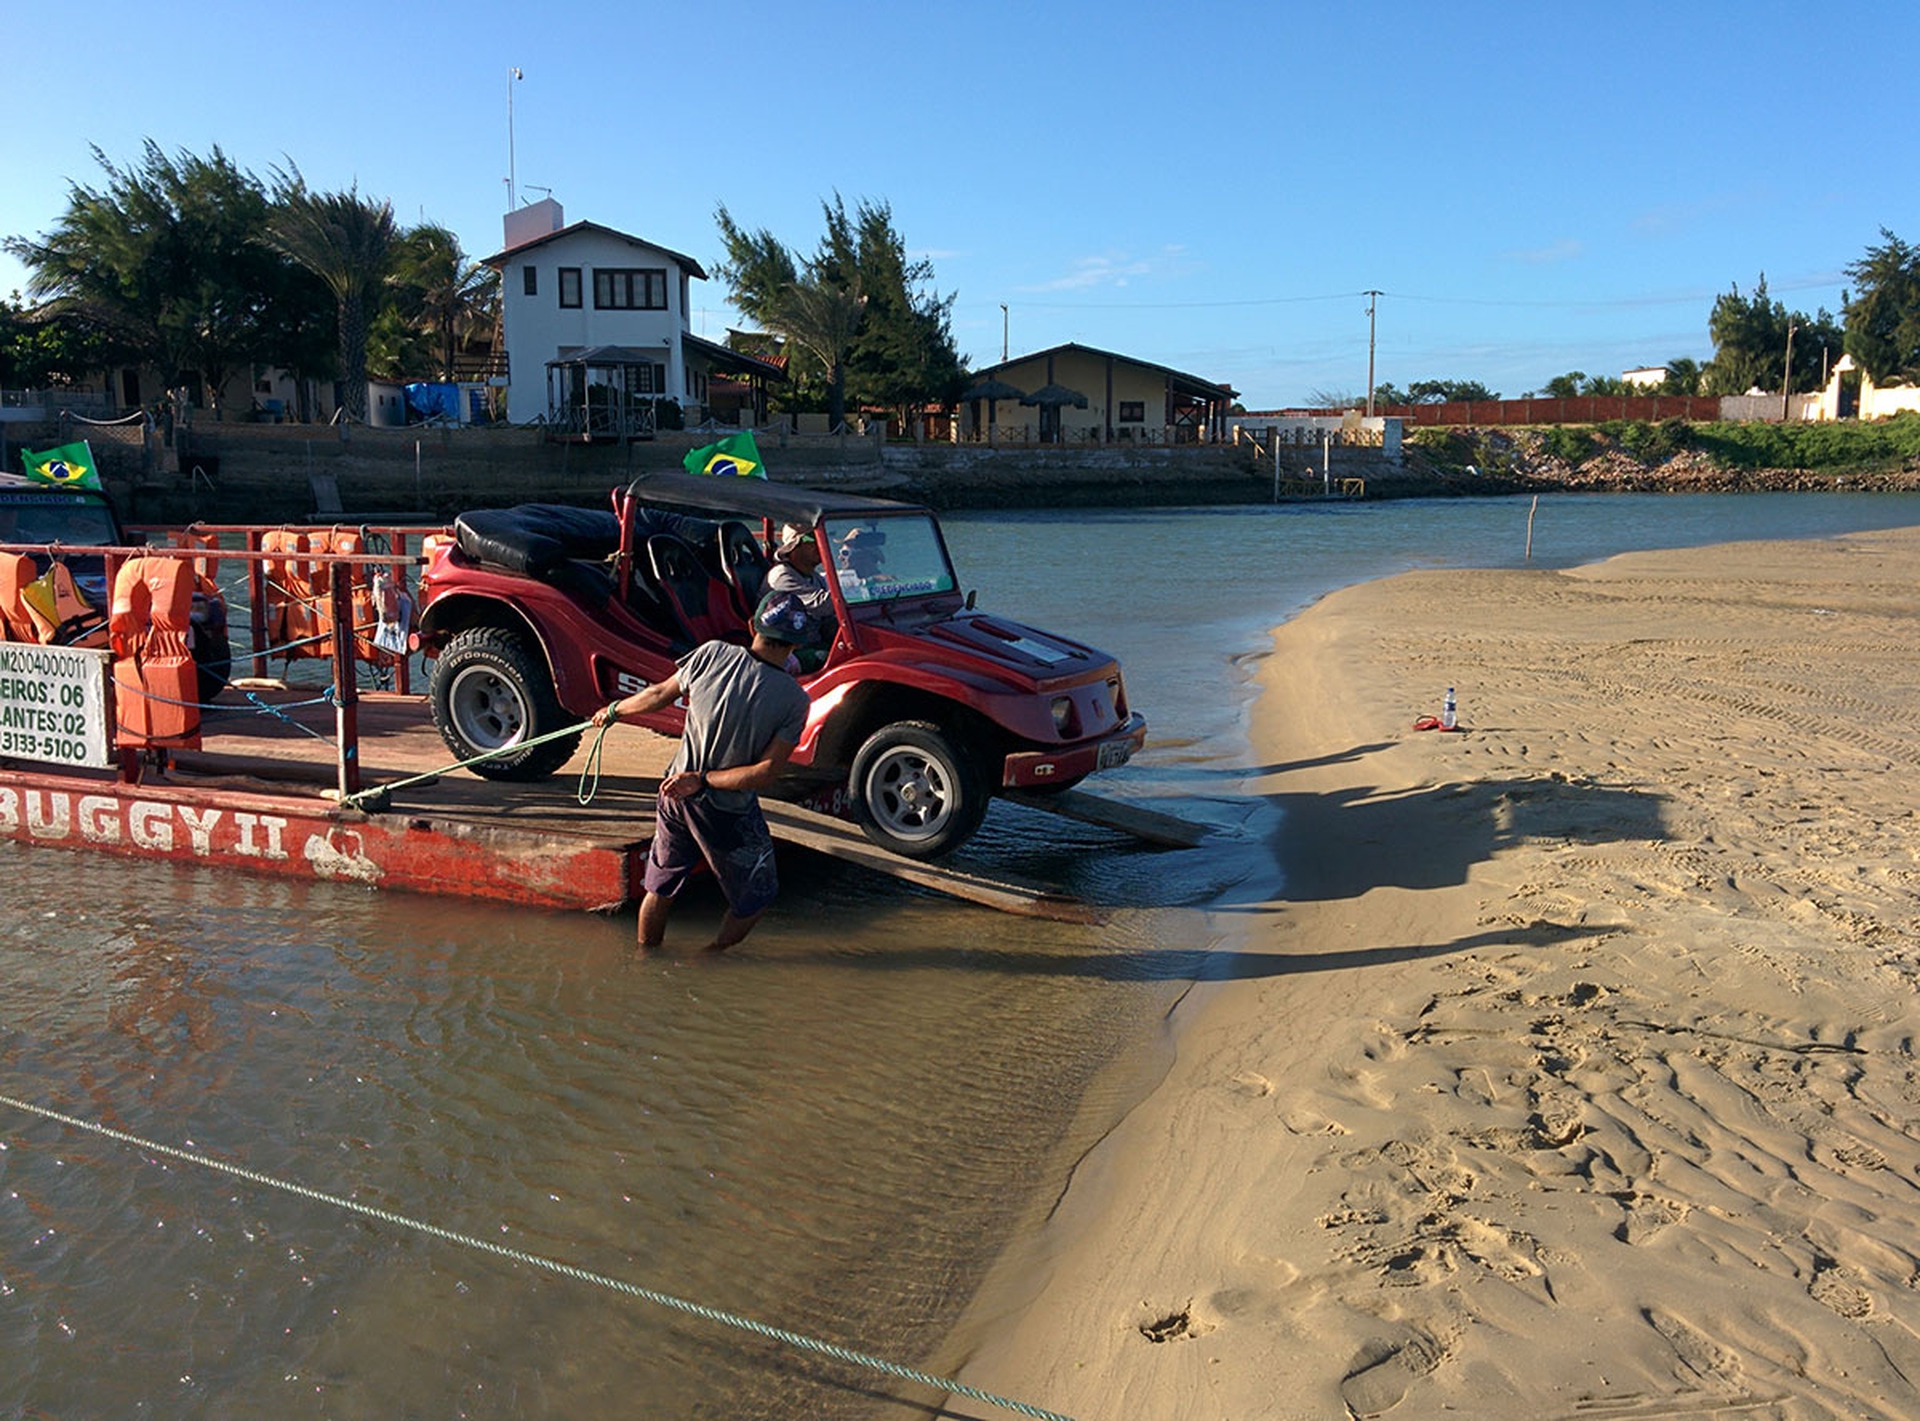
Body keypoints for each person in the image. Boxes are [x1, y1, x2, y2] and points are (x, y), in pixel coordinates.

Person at [592, 590, 815, 952]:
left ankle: (647, 959)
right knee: (757, 896)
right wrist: (704, 781)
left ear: (750, 626)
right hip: (723, 806)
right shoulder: (795, 700)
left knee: (660, 887)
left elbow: (658, 694)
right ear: (795, 646)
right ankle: (710, 959)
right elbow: (765, 773)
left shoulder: (712, 652)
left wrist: (615, 711)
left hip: (673, 792)